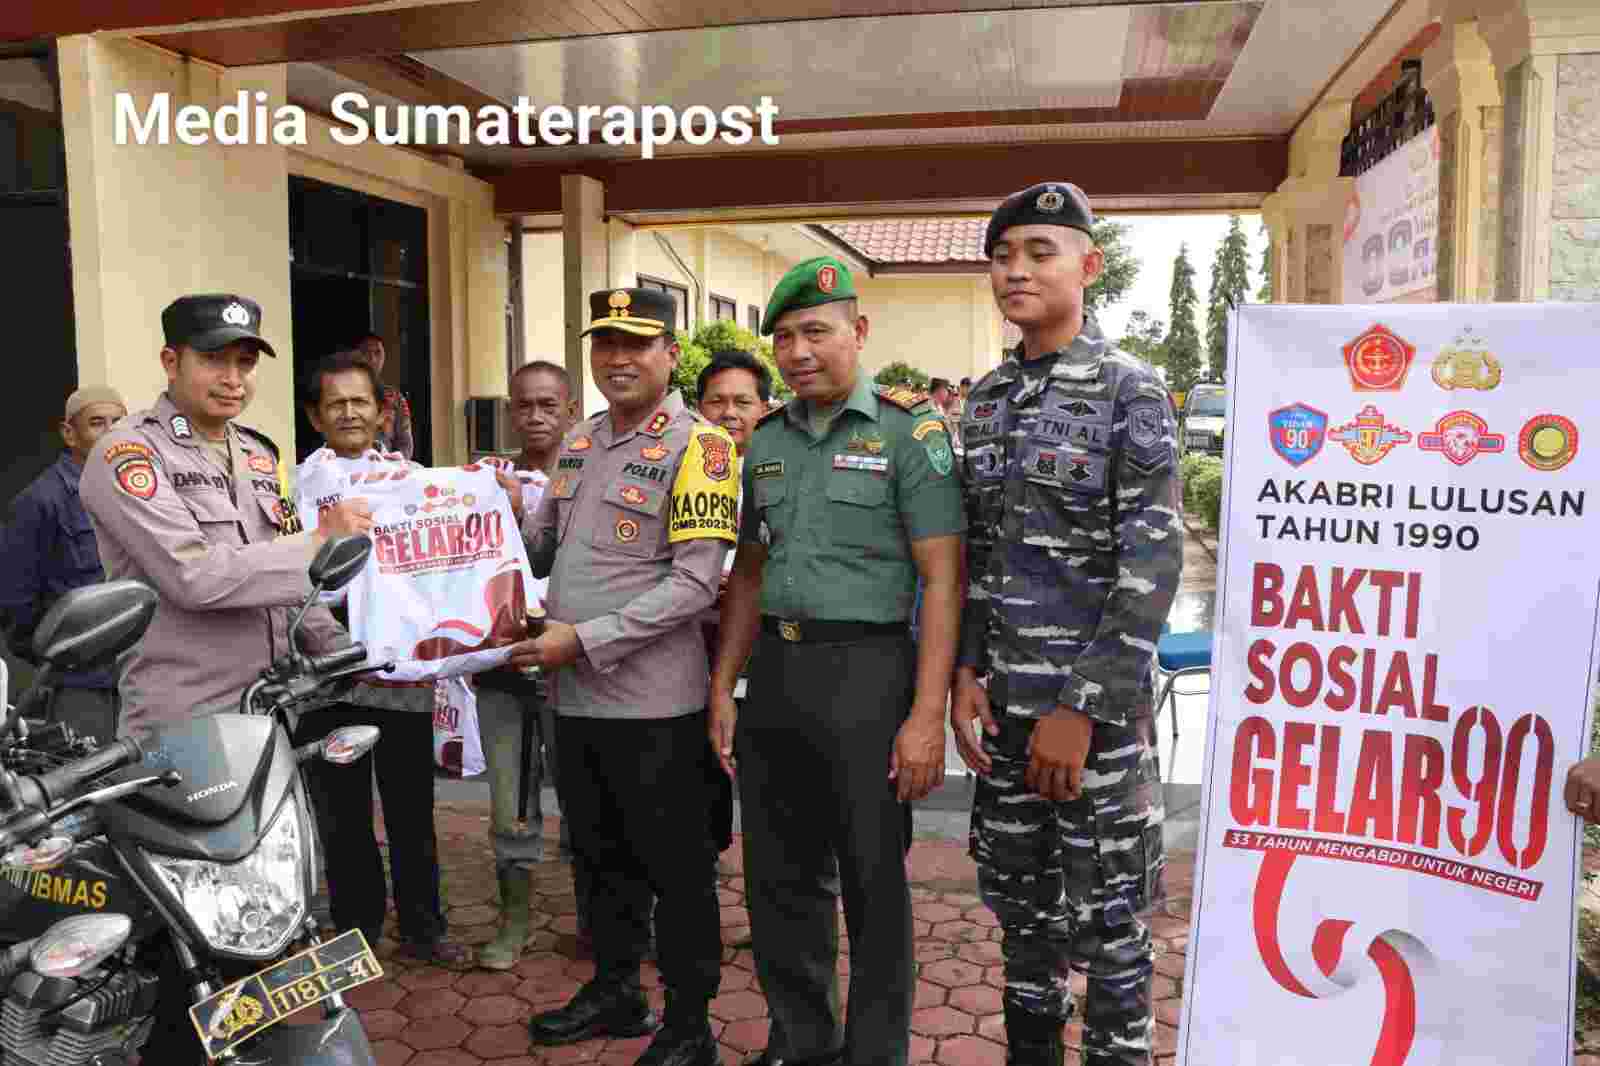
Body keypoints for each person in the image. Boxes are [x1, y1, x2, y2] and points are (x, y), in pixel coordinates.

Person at [77, 294, 373, 1066]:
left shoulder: (256, 453)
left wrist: (347, 649)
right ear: (171, 362)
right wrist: (320, 541)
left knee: (274, 919)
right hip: (184, 730)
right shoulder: (126, 458)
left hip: (262, 723)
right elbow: (197, 578)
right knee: (193, 934)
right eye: (214, 358)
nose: (234, 376)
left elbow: (282, 576)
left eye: (245, 361)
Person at [709, 256, 965, 1066]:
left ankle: (876, 1052)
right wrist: (724, 684)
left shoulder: (909, 434)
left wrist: (927, 718)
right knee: (780, 881)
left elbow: (943, 577)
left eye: (815, 331)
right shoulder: (767, 442)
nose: (797, 351)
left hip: (871, 676)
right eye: (782, 337)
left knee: (873, 883)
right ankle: (801, 1042)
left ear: (858, 332)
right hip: (778, 679)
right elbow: (748, 572)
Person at [951, 183, 1182, 1066]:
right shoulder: (988, 400)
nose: (1016, 270)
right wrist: (969, 677)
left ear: (1088, 266)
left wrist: (1080, 710)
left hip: (1095, 726)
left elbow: (1151, 567)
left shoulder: (1131, 391)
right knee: (1022, 917)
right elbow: (980, 556)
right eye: (1002, 256)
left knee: (1112, 927)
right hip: (1006, 714)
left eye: (1039, 252)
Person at [506, 287, 736, 1066]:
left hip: (654, 709)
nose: (618, 359)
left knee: (675, 871)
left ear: (671, 356)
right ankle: (616, 991)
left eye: (637, 344)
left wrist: (586, 640)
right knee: (598, 860)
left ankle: (690, 1024)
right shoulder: (579, 442)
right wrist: (493, 510)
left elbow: (695, 584)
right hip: (575, 704)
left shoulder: (700, 446)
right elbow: (541, 552)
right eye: (605, 344)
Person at [293, 348, 474, 971]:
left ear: (380, 411)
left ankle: (424, 929)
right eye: (335, 402)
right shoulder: (293, 489)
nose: (349, 412)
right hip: (323, 675)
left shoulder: (412, 482)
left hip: (398, 670)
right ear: (316, 415)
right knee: (340, 813)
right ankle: (357, 931)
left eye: (360, 401)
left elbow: (442, 563)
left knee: (410, 810)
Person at [474, 359, 579, 971]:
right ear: (511, 410)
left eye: (549, 405)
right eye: (524, 405)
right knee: (509, 799)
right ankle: (513, 922)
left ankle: (599, 917)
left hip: (575, 664)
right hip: (505, 663)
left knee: (589, 798)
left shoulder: (593, 471)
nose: (536, 416)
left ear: (569, 409)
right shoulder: (483, 480)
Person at [0, 386, 128, 739]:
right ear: (69, 434)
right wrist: (64, 659)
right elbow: (15, 607)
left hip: (143, 679)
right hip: (83, 689)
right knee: (89, 786)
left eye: (118, 421)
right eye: (97, 423)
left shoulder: (138, 491)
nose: (111, 432)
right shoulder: (40, 501)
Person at [696, 350, 770, 880]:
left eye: (742, 401)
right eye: (716, 401)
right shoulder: (684, 463)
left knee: (769, 794)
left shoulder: (778, 467)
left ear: (764, 408)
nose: (729, 413)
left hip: (766, 656)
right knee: (703, 783)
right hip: (697, 651)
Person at [356, 330, 415, 460]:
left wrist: (396, 466)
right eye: (366, 353)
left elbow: (405, 442)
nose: (372, 359)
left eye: (378, 353)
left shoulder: (395, 397)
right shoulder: (344, 394)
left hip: (387, 468)